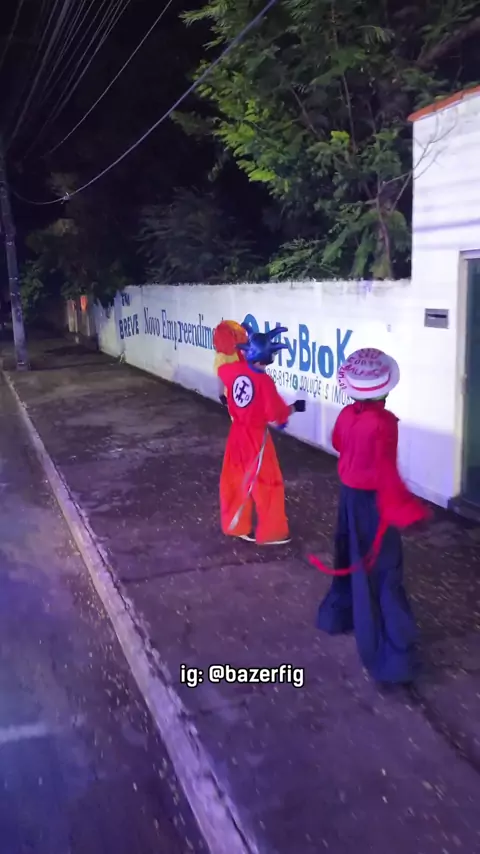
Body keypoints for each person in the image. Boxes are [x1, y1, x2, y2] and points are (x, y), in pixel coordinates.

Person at [310, 347, 430, 684]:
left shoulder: (347, 415)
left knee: (349, 556)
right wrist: (406, 510)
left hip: (348, 498)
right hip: (373, 503)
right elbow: (386, 473)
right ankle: (393, 657)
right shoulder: (384, 423)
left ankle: (338, 616)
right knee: (384, 571)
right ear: (386, 388)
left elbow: (338, 443)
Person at [218, 325, 306, 546]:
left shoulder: (234, 370)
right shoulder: (264, 382)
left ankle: (235, 525)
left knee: (234, 479)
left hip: (236, 434)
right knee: (267, 483)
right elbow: (276, 415)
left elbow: (222, 373)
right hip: (255, 438)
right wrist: (295, 407)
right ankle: (271, 533)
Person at [213, 320, 248, 406]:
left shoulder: (235, 352)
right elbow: (220, 376)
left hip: (240, 390)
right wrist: (221, 394)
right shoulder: (222, 357)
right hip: (232, 393)